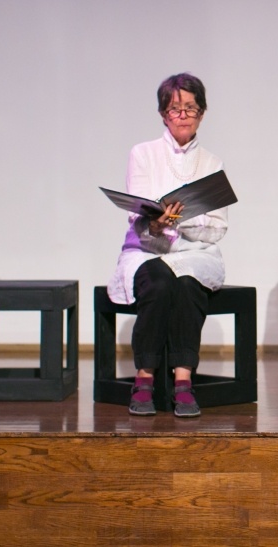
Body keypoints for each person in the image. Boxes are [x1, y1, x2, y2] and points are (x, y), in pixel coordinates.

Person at [106, 73, 228, 417]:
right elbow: (138, 214)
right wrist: (157, 223)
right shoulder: (143, 154)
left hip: (195, 254)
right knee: (159, 281)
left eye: (191, 108)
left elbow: (217, 228)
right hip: (147, 250)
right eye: (175, 109)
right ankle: (144, 377)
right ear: (163, 114)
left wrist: (180, 221)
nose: (183, 116)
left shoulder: (212, 163)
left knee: (188, 284)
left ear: (202, 114)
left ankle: (183, 381)